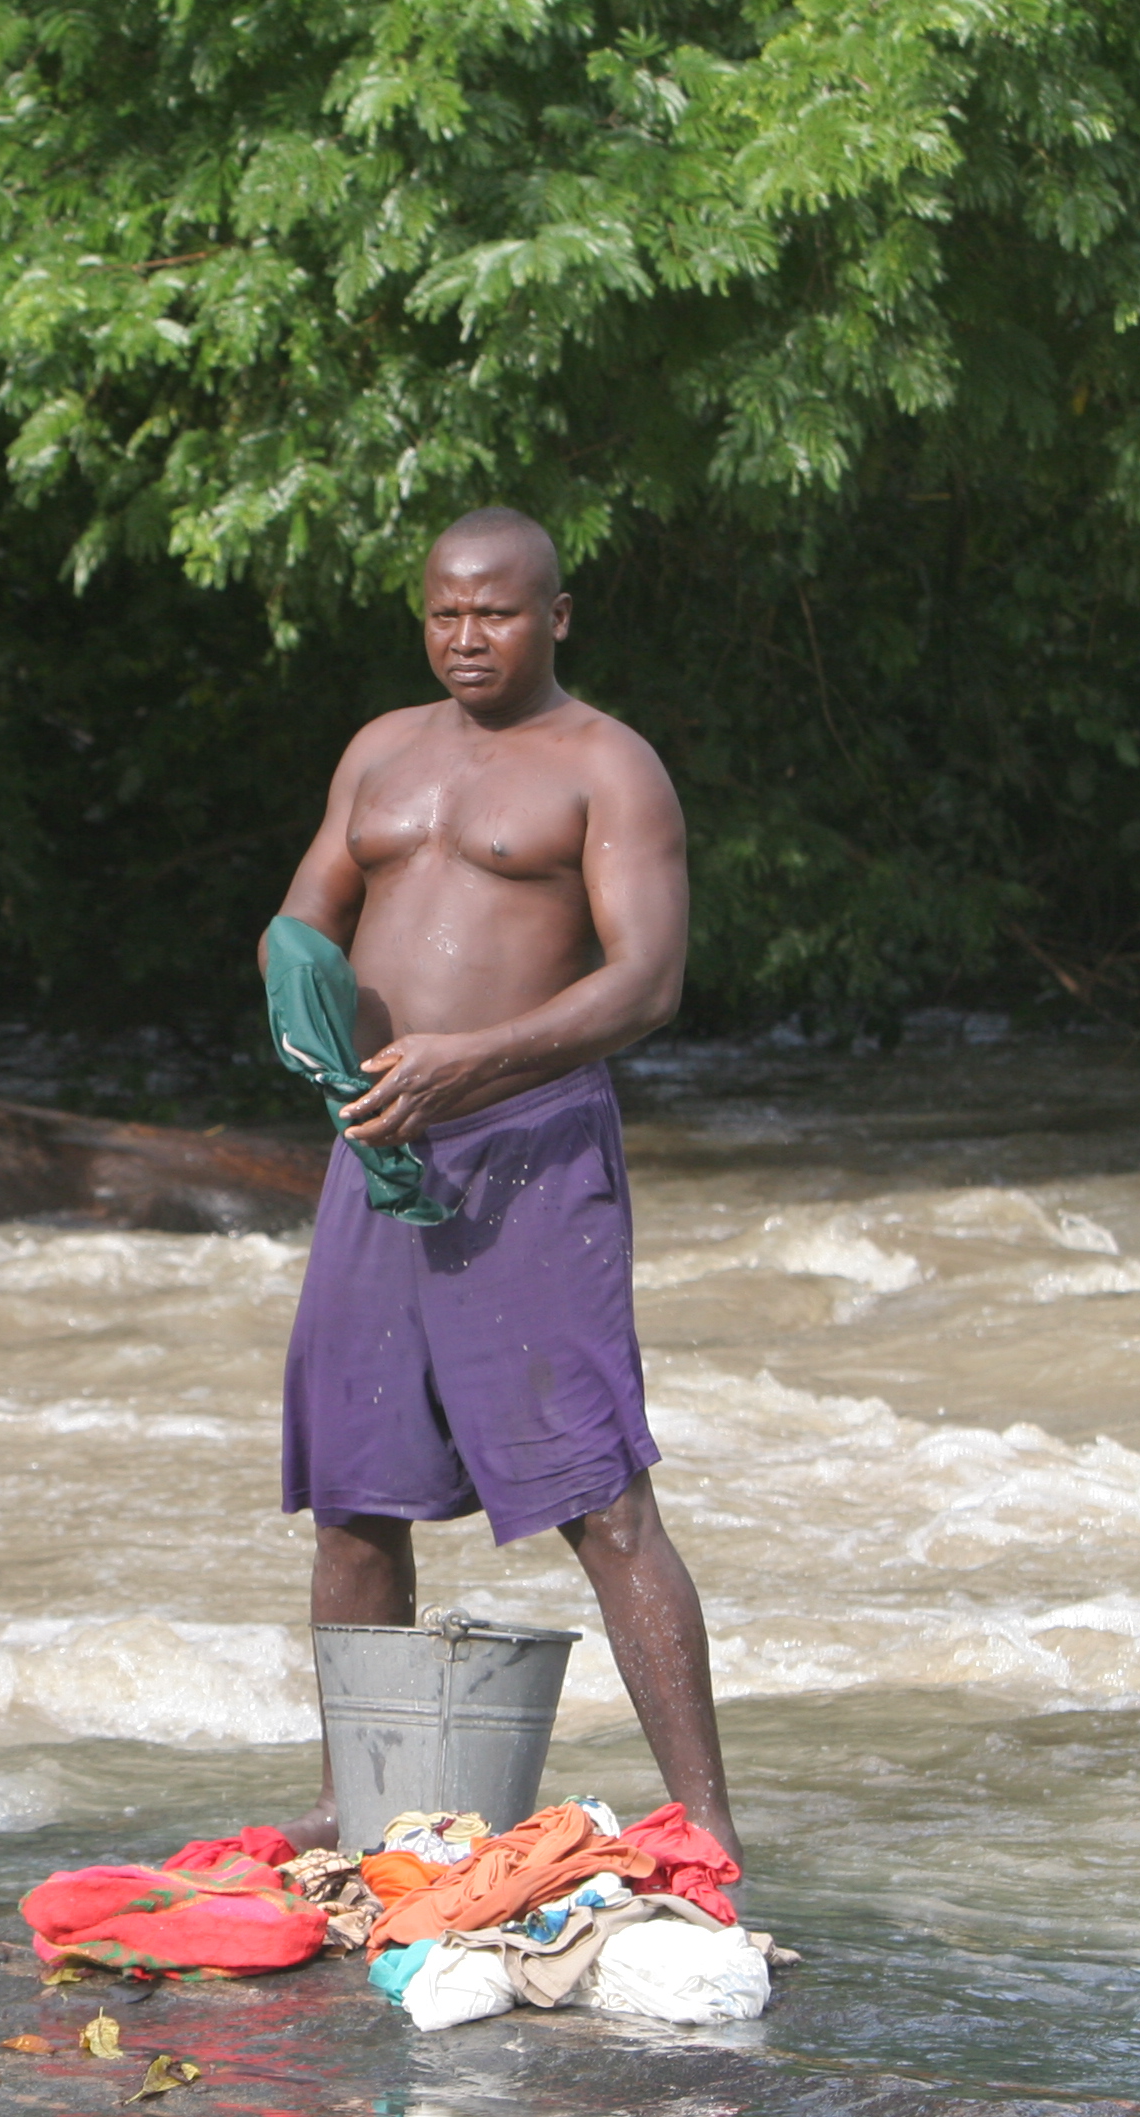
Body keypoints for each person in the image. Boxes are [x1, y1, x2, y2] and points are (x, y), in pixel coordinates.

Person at [264, 506, 738, 1869]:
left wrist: (471, 1062)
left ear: (558, 616)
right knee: (352, 1496)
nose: (468, 636)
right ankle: (359, 1799)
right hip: (379, 1143)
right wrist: (292, 985)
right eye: (445, 613)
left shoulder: (607, 767)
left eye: (498, 612)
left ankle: (705, 1825)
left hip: (529, 1148)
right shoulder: (381, 750)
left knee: (600, 1492)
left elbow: (646, 981)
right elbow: (308, 913)